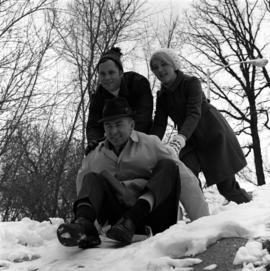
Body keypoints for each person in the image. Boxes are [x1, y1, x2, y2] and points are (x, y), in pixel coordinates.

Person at [57, 97, 209, 249]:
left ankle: (131, 220)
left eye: (118, 124)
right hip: (117, 221)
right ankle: (83, 227)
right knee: (90, 177)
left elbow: (185, 179)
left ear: (131, 125)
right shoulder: (95, 154)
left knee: (169, 166)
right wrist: (90, 219)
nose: (113, 131)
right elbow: (84, 187)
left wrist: (203, 223)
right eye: (108, 126)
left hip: (152, 215)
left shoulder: (151, 144)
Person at [149, 48, 251, 204]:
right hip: (190, 142)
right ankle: (200, 221)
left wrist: (180, 138)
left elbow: (193, 113)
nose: (160, 70)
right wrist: (149, 144)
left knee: (227, 188)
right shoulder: (161, 96)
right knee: (189, 180)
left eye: (164, 64)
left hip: (212, 134)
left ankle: (251, 212)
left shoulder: (191, 83)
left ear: (174, 65)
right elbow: (159, 123)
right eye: (155, 67)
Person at [85, 47, 153, 154]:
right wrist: (94, 144)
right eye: (102, 74)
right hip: (114, 142)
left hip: (142, 138)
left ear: (121, 73)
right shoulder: (98, 96)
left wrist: (127, 142)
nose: (107, 78)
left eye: (111, 72)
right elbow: (93, 125)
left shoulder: (138, 83)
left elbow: (144, 117)